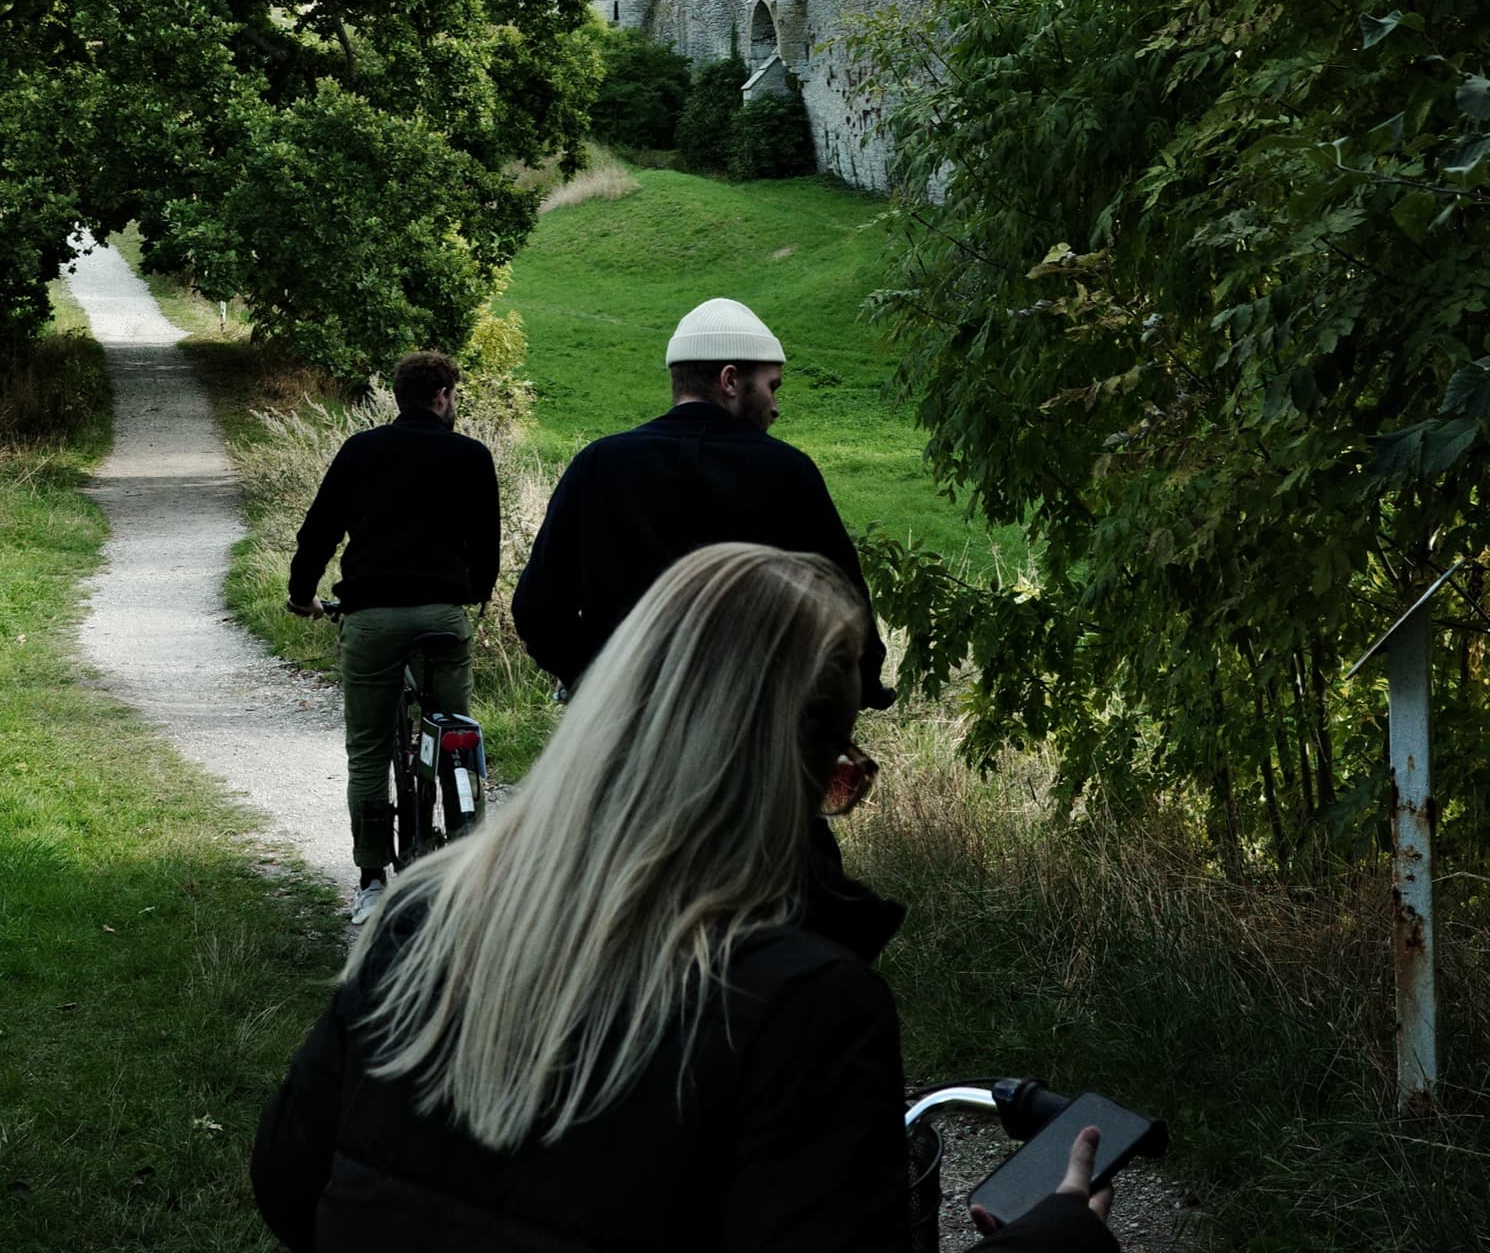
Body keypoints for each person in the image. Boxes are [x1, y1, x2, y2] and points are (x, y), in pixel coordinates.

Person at [250, 543, 1115, 1253]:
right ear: (787, 772)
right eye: (839, 778)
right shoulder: (801, 1011)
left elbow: (290, 1190)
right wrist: (1059, 1244)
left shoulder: (423, 917)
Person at [512, 295, 894, 708]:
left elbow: (538, 608)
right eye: (772, 387)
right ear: (730, 380)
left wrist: (593, 679)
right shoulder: (786, 471)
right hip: (746, 730)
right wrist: (857, 689)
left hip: (621, 722)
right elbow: (843, 604)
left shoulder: (600, 464)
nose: (776, 406)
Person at [287, 347, 500, 928]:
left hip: (373, 619)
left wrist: (302, 594)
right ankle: (460, 877)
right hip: (443, 618)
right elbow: (487, 547)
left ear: (399, 397)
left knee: (370, 751)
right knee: (457, 740)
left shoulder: (361, 451)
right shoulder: (472, 456)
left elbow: (319, 531)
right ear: (441, 397)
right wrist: (473, 598)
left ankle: (372, 880)